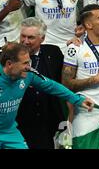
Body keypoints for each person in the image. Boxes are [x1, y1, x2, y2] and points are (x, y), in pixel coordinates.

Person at [0, 42, 93, 149]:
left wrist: (77, 100)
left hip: (9, 131)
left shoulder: (28, 75)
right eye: (25, 63)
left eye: (29, 62)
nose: (29, 67)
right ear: (9, 64)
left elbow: (51, 86)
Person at [62, 4, 99, 149]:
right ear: (88, 24)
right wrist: (93, 80)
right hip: (86, 115)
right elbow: (66, 84)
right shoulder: (75, 48)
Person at [15, 17, 66, 149]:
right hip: (19, 120)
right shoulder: (10, 56)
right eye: (23, 36)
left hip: (48, 121)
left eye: (30, 38)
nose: (25, 41)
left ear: (42, 39)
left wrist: (75, 42)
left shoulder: (53, 53)